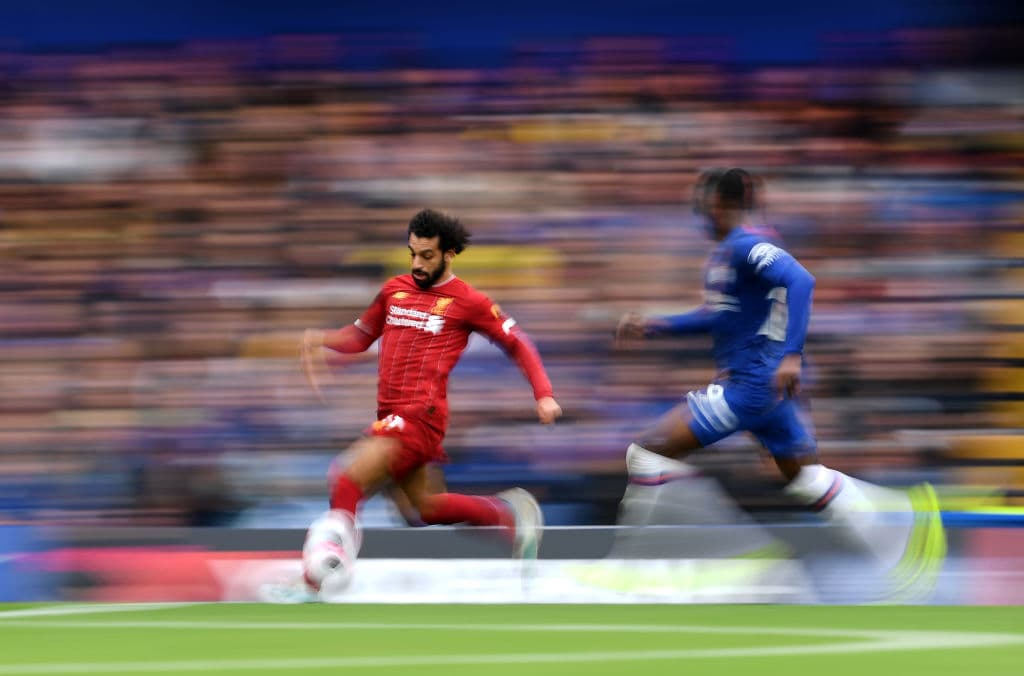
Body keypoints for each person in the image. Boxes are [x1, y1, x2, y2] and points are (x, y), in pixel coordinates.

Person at [615, 168, 945, 600]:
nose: (698, 212)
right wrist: (658, 325)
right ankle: (903, 522)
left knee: (646, 453)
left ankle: (638, 563)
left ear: (718, 203)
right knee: (808, 481)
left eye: (702, 203)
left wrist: (792, 355)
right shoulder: (727, 254)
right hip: (765, 391)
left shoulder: (747, 245)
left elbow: (801, 280)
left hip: (749, 386)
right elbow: (718, 316)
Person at [296, 208, 562, 597]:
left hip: (420, 416)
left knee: (346, 477)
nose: (417, 264)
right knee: (423, 509)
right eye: (412, 254)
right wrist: (322, 339)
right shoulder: (394, 290)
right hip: (391, 416)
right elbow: (360, 336)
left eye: (427, 256)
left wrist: (544, 395)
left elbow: (517, 342)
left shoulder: (469, 301)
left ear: (449, 254)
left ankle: (321, 578)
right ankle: (508, 516)